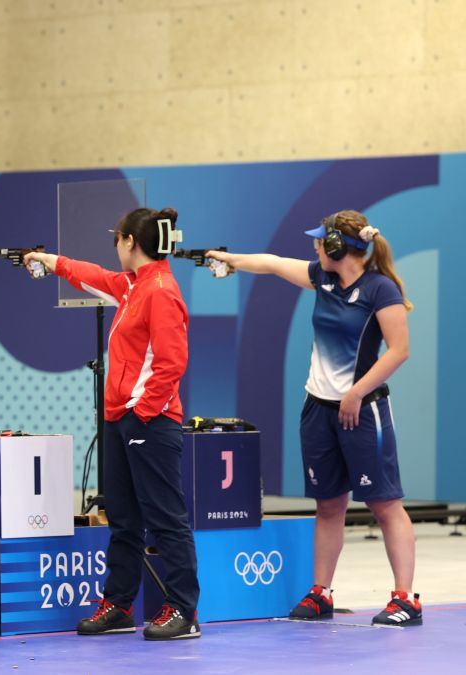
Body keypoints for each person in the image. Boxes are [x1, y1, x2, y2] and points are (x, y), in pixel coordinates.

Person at [208, 210, 418, 626]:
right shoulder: (322, 279)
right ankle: (321, 592)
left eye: (321, 241)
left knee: (385, 504)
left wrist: (356, 392)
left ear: (339, 248)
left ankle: (406, 598)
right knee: (328, 505)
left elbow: (398, 350)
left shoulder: (381, 290)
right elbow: (270, 263)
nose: (315, 246)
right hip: (318, 410)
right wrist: (230, 260)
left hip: (363, 411)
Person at [24, 207, 201, 640]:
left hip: (149, 421)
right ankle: (120, 605)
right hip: (124, 419)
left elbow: (172, 361)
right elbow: (96, 277)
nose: (114, 248)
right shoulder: (134, 285)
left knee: (165, 518)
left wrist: (142, 411)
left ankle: (183, 610)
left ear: (130, 243)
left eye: (115, 240)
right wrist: (52, 262)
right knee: (123, 518)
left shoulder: (159, 291)